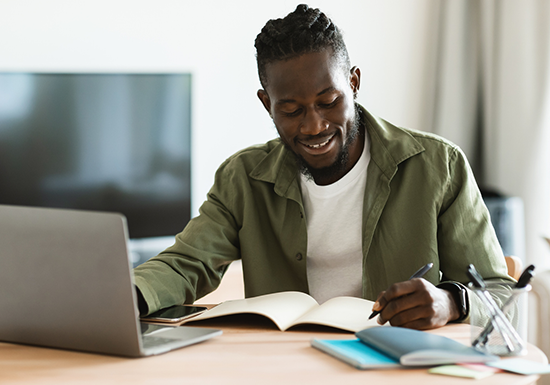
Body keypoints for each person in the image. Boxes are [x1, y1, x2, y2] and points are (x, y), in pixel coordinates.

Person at [134, 4, 513, 330]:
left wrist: (451, 302)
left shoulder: (437, 166)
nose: (313, 126)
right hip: (286, 365)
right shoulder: (243, 178)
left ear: (354, 82)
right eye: (291, 110)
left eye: (329, 101)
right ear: (267, 104)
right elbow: (186, 264)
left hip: (395, 365)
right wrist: (125, 295)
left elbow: (499, 292)